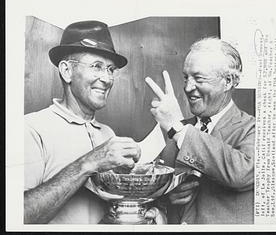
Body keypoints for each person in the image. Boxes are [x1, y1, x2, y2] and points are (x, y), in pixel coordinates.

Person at [24, 21, 164, 224]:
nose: (107, 79)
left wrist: (146, 213)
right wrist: (89, 162)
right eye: (97, 67)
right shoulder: (31, 128)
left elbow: (103, 212)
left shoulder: (108, 134)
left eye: (110, 69)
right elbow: (18, 216)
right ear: (66, 71)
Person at [145, 37, 255, 224]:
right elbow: (155, 190)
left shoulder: (252, 128)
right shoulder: (178, 131)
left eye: (199, 78)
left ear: (228, 81)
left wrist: (178, 128)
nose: (188, 87)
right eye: (186, 77)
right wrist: (166, 200)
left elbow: (241, 174)